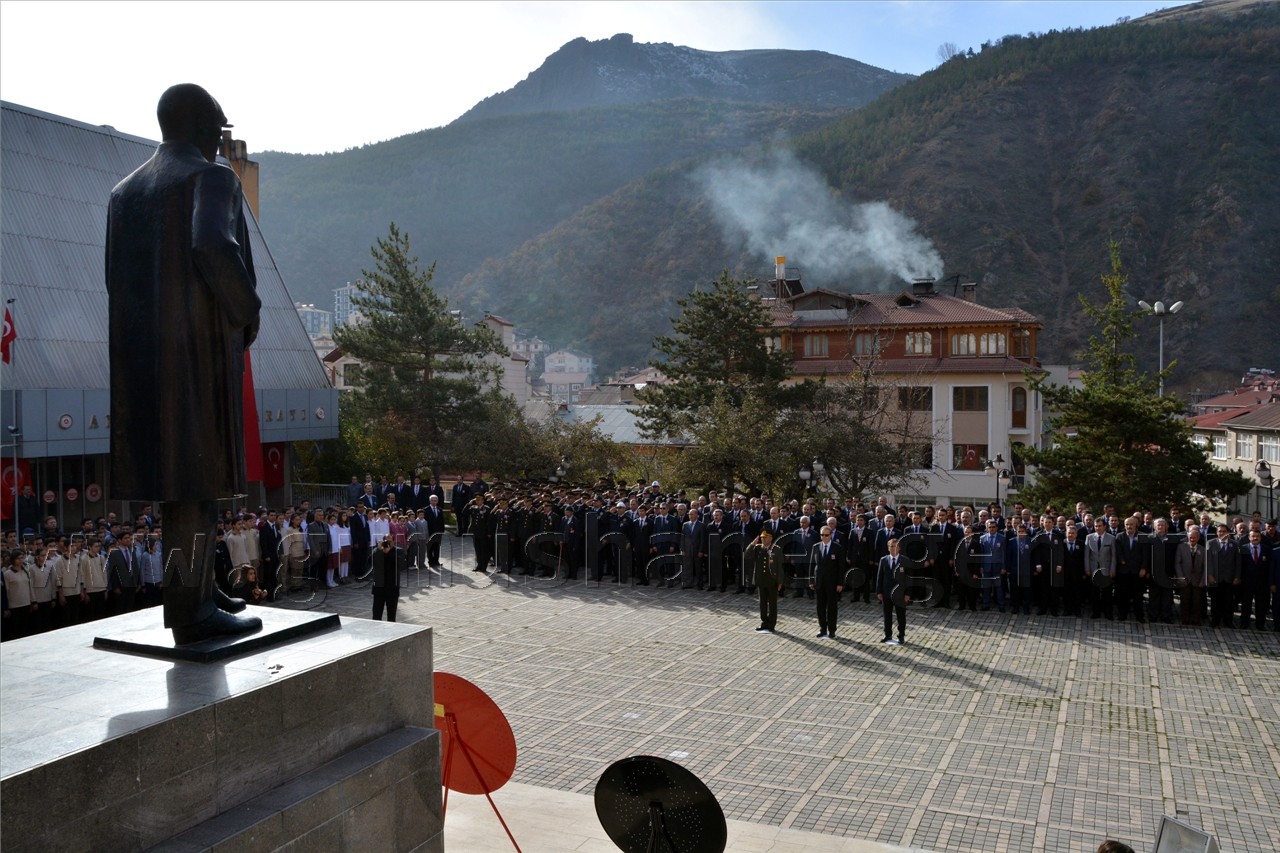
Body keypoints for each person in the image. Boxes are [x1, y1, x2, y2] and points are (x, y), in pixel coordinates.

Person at [106, 83, 261, 644]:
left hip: (142, 360)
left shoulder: (124, 192)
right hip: (196, 353)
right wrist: (246, 311)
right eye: (219, 128)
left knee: (185, 487)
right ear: (201, 126)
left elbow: (113, 279)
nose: (221, 140)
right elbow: (213, 246)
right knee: (196, 482)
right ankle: (191, 614)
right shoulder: (210, 178)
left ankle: (195, 591)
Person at [746, 528, 783, 633]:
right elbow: (747, 555)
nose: (763, 539)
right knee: (762, 603)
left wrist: (780, 581)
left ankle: (771, 624)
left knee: (772, 603)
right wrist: (752, 544)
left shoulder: (776, 549)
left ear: (771, 538)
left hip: (772, 580)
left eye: (765, 537)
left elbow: (780, 567)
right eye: (762, 537)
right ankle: (764, 623)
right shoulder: (758, 548)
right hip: (761, 579)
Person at [810, 525, 844, 639]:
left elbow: (841, 567)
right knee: (820, 607)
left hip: (832, 583)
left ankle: (832, 629)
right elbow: (812, 564)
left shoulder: (837, 547)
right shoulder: (816, 547)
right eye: (822, 535)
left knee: (832, 607)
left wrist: (840, 583)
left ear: (831, 536)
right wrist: (811, 580)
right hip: (819, 582)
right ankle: (822, 629)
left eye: (826, 535)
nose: (824, 537)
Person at [877, 537, 910, 644]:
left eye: (895, 546)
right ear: (888, 548)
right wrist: (879, 592)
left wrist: (907, 594)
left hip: (900, 594)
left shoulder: (905, 560)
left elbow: (908, 579)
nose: (893, 548)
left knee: (901, 616)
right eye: (891, 546)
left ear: (899, 548)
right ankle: (888, 635)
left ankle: (901, 635)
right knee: (887, 616)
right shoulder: (883, 560)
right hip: (887, 593)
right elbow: (880, 577)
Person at [370, 535, 400, 622]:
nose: (388, 544)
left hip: (392, 589)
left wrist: (388, 553)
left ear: (393, 542)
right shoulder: (377, 551)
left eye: (390, 542)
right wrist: (379, 550)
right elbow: (369, 561)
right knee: (376, 616)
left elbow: (399, 563)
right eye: (386, 541)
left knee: (391, 617)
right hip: (379, 588)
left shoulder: (398, 551)